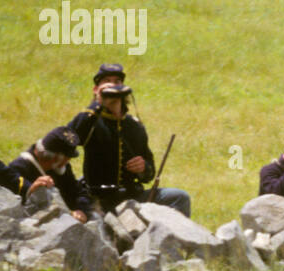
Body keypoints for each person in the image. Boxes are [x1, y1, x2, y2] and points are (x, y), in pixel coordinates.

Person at [66, 63, 191, 217]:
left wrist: (143, 167)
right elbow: (67, 138)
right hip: (101, 200)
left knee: (179, 197)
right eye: (107, 81)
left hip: (133, 197)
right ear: (96, 89)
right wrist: (97, 105)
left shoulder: (134, 125)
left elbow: (149, 173)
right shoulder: (90, 120)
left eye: (117, 81)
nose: (112, 85)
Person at [9, 126, 91, 222]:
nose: (67, 161)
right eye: (66, 158)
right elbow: (11, 206)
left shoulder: (61, 168)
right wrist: (31, 190)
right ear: (52, 157)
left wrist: (81, 209)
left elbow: (78, 192)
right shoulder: (17, 169)